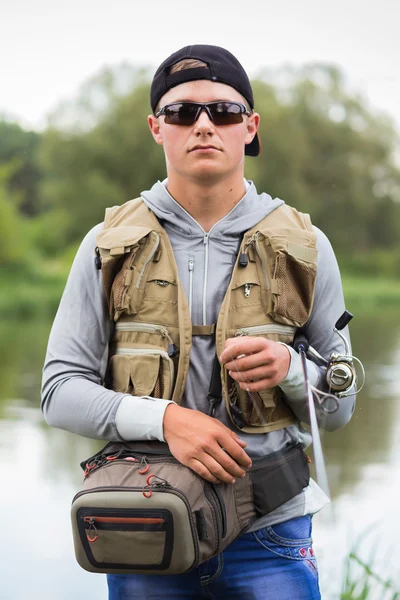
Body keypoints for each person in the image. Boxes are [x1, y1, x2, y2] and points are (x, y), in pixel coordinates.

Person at [41, 44, 356, 600]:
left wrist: (289, 367)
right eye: (183, 112)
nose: (204, 125)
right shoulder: (104, 245)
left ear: (250, 128)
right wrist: (167, 420)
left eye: (225, 112)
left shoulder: (308, 246)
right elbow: (59, 392)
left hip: (272, 532)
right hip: (144, 524)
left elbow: (341, 409)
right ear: (156, 128)